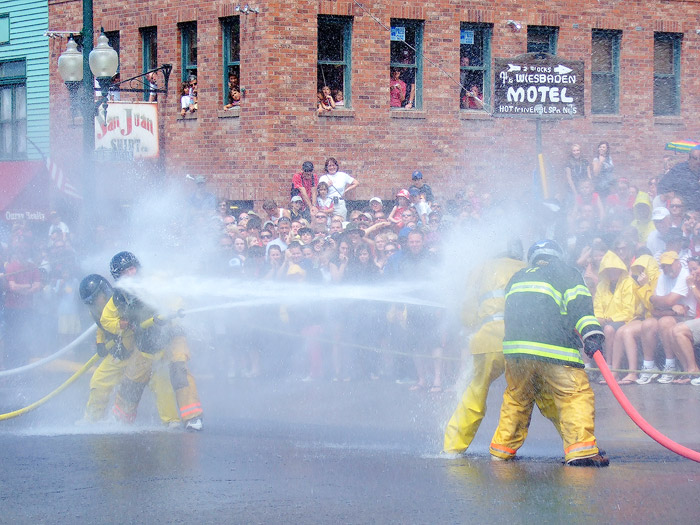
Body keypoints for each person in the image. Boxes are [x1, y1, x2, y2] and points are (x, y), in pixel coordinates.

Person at [489, 240, 609, 467]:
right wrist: (592, 335)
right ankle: (581, 451)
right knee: (573, 395)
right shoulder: (566, 273)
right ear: (558, 256)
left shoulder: (518, 276)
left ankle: (501, 451)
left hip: (516, 353)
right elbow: (580, 307)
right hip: (554, 350)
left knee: (517, 399)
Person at [443, 241, 558, 454]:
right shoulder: (526, 269)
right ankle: (576, 442)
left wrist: (472, 324)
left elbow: (467, 310)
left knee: (475, 393)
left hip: (486, 341)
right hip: (519, 343)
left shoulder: (482, 268)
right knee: (532, 394)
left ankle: (452, 448)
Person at [104, 251, 204, 430]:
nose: (131, 274)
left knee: (178, 371)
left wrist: (169, 315)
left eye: (132, 268)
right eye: (125, 272)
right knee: (133, 378)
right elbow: (106, 319)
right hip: (146, 340)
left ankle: (192, 417)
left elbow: (176, 301)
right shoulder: (120, 297)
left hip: (172, 333)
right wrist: (120, 324)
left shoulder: (155, 282)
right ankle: (121, 417)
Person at [78, 274, 179, 425]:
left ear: (104, 291)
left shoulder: (123, 300)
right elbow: (101, 326)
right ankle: (92, 419)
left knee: (160, 380)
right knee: (99, 382)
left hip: (141, 351)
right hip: (119, 354)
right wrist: (100, 343)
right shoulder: (95, 311)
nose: (96, 303)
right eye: (91, 301)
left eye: (97, 297)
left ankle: (171, 420)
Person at [637, 250, 696, 384]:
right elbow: (656, 308)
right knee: (648, 323)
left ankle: (670, 365)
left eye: (669, 264)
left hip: (688, 316)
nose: (666, 268)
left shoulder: (684, 275)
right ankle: (649, 366)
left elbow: (668, 301)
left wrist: (657, 300)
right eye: (663, 266)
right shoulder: (663, 276)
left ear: (678, 263)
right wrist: (670, 309)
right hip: (673, 314)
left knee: (665, 322)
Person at [657, 146, 700, 211]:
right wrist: (672, 196)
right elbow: (662, 187)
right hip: (683, 211)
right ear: (689, 159)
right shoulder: (678, 170)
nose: (698, 162)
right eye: (695, 158)